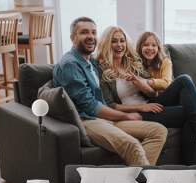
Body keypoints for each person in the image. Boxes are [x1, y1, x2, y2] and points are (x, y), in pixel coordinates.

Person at [97, 26, 196, 164]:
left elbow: (152, 93)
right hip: (136, 113)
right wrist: (142, 107)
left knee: (186, 86)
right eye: (114, 41)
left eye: (122, 41)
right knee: (192, 111)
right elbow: (110, 105)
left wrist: (141, 84)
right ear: (107, 43)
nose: (119, 45)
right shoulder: (102, 70)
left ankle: (193, 158)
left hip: (151, 104)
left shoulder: (131, 63)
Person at [53, 17, 167, 166]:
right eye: (84, 32)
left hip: (106, 119)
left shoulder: (90, 62)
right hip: (88, 121)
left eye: (94, 32)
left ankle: (137, 179)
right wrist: (126, 116)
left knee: (158, 131)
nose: (91, 36)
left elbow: (109, 61)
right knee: (131, 145)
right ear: (73, 37)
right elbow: (90, 106)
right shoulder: (70, 65)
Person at [135, 31, 196, 154]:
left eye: (154, 45)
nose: (150, 48)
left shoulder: (165, 62)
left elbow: (167, 83)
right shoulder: (136, 64)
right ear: (140, 47)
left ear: (158, 48)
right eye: (146, 45)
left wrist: (147, 82)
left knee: (193, 108)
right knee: (186, 83)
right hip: (150, 103)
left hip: (165, 100)